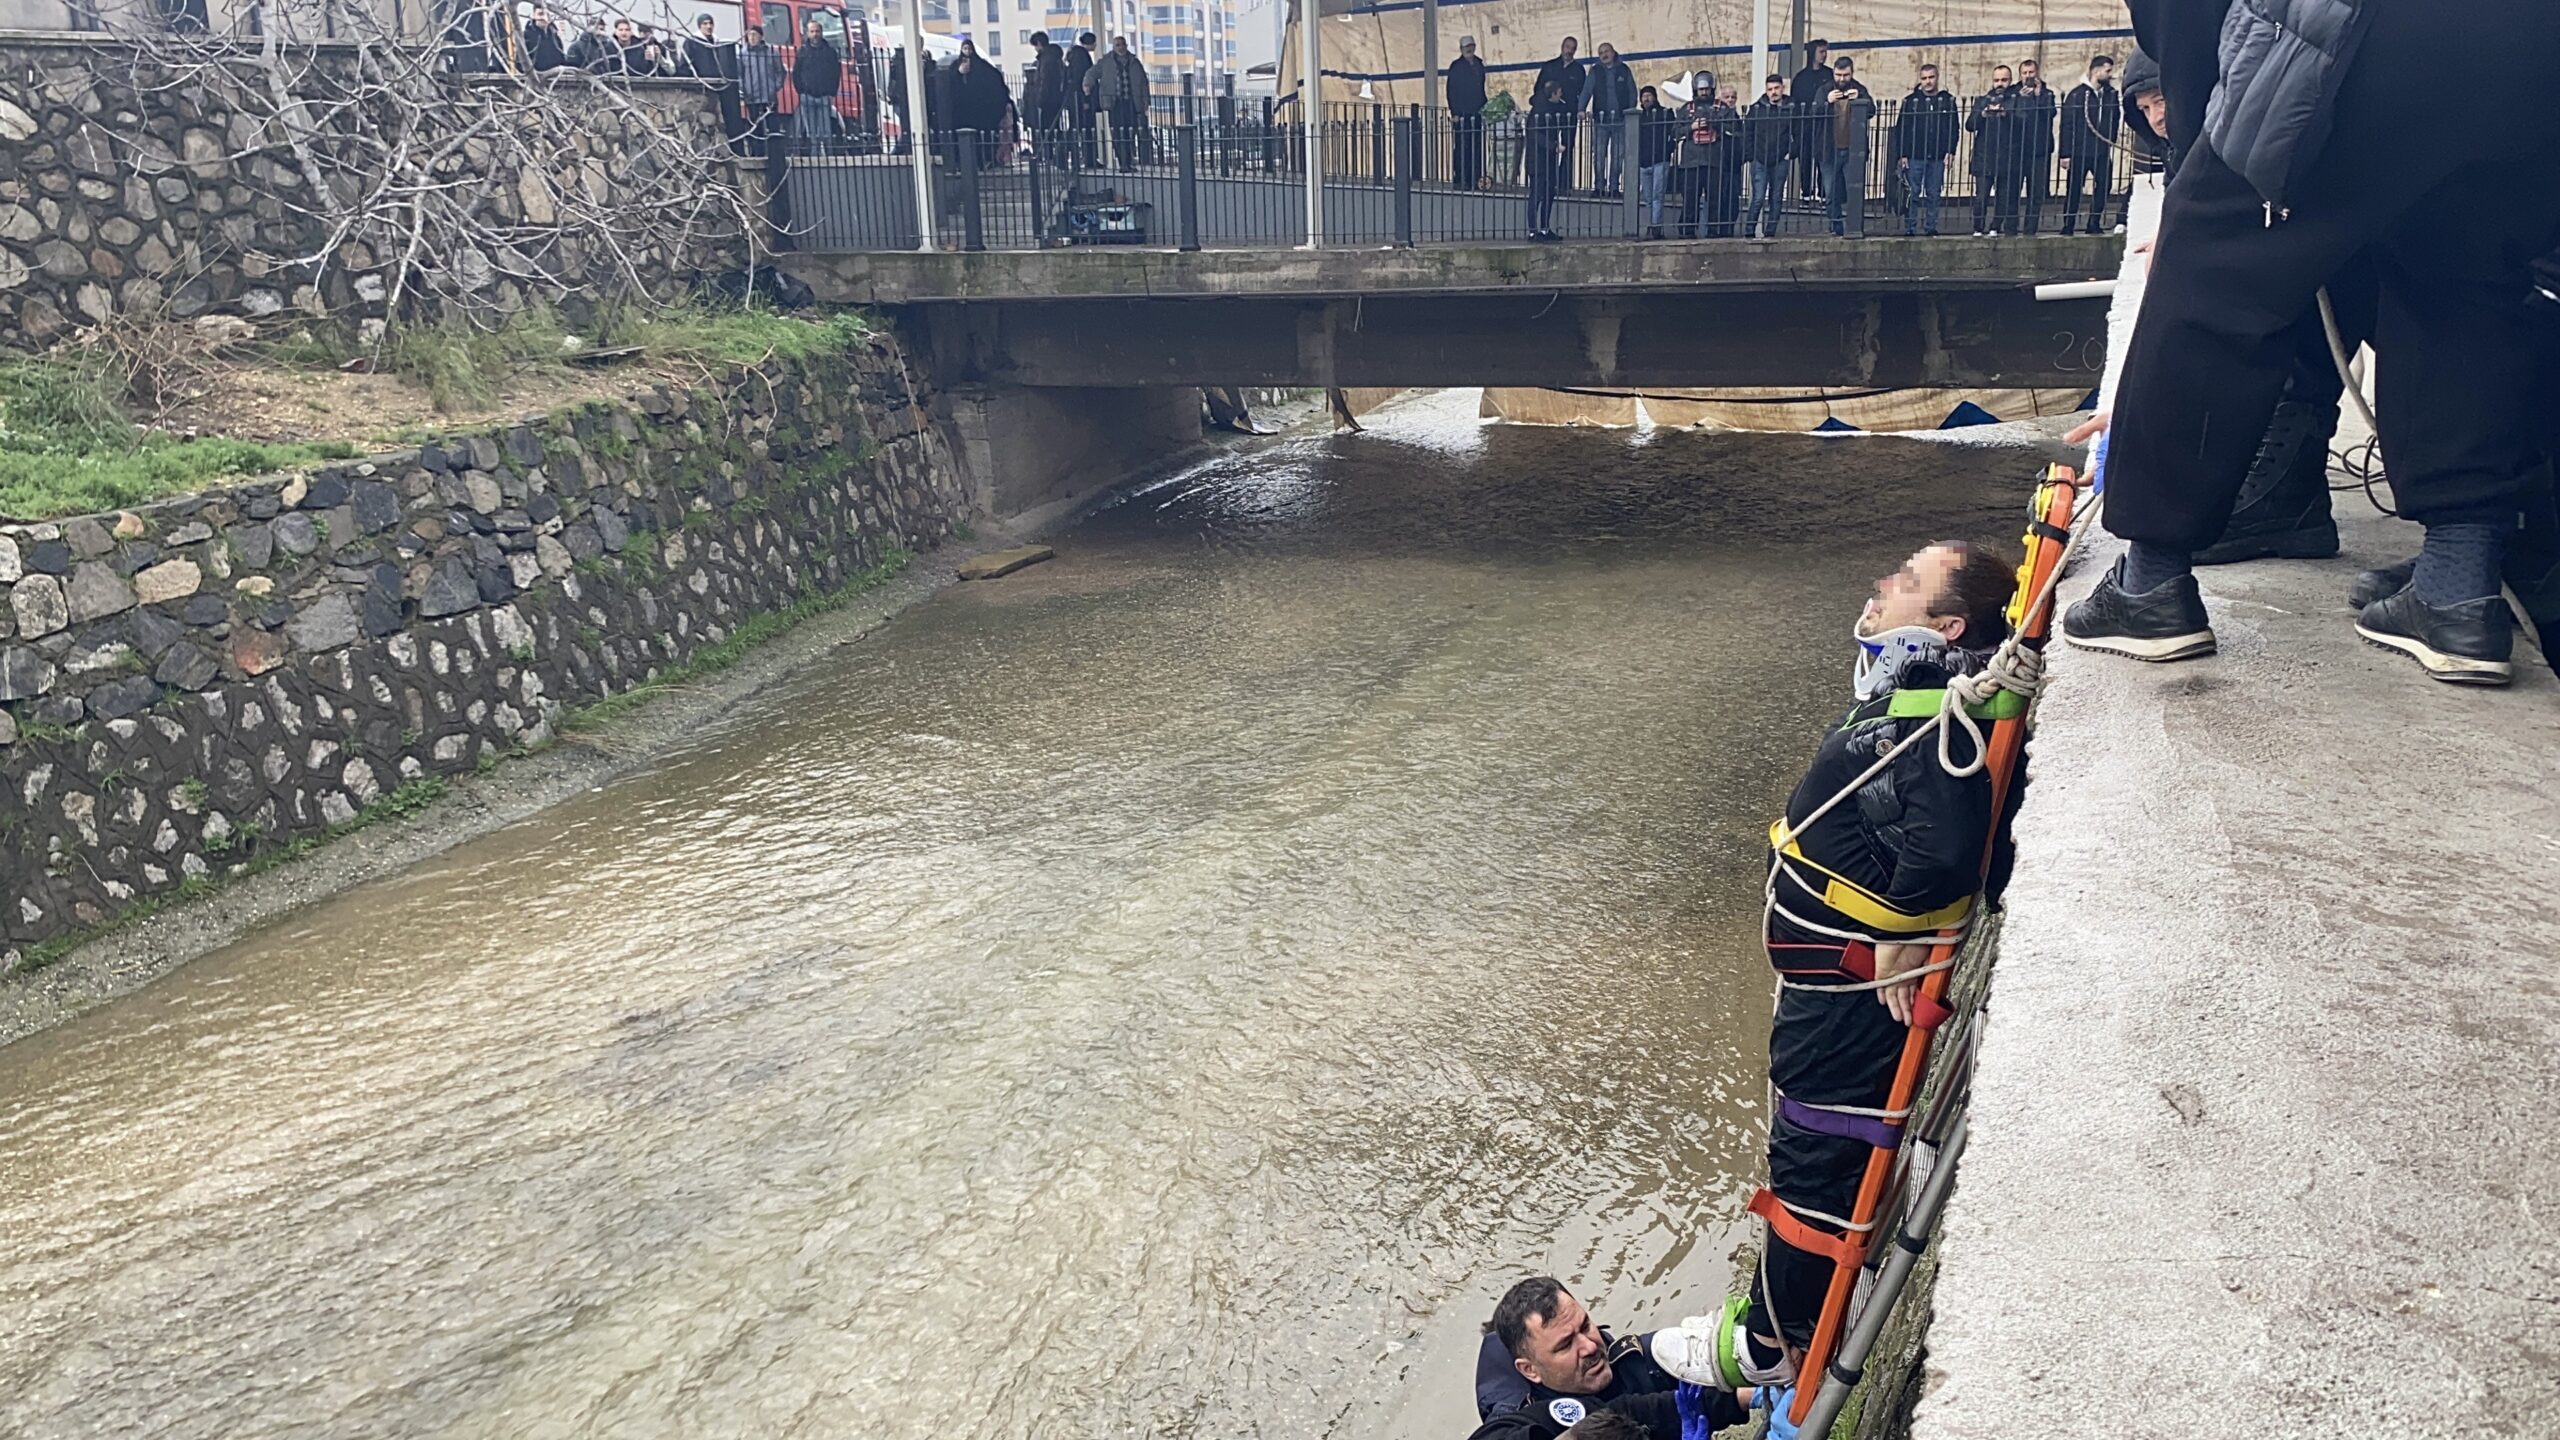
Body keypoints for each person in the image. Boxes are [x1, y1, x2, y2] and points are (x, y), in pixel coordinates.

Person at [2064, 0, 2560, 684]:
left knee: (2213, 255)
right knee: (2464, 272)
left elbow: (2185, 27)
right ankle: (2458, 584)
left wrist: (2198, 166)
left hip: (2371, 27)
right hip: (2531, 45)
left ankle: (2149, 581)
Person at [1652, 542, 2017, 1395]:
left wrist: (1907, 924)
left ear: (1947, 626)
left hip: (1847, 993)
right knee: (1814, 1140)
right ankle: (1794, 1307)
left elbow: (1954, 849)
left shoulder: (1929, 714)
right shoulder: (1926, 698)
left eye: (1907, 582)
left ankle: (1775, 1339)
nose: (1883, 585)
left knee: (1813, 1147)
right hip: (1834, 984)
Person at [1468, 1277, 1750, 1440]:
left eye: (1585, 1326)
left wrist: (1750, 1387)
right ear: (1530, 1371)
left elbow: (1678, 1393)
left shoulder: (1624, 1359)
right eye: (1566, 1345)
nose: (1590, 1347)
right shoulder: (1519, 1419)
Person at [1891, 63, 1958, 237]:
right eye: (1924, 78)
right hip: (1915, 154)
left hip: (1937, 154)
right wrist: (1902, 154)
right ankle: (1910, 227)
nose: (1928, 82)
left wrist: (1951, 151)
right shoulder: (1911, 101)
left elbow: (1954, 128)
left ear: (1937, 77)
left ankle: (1931, 227)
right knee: (1912, 193)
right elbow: (1901, 129)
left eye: (1931, 77)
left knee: (1933, 194)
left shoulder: (1948, 100)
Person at [2057, 54, 2119, 234]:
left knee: (2103, 185)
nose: (2110, 75)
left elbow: (2114, 119)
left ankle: (2094, 222)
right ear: (2096, 71)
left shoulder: (2110, 95)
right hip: (2080, 149)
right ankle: (2068, 224)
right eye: (2107, 71)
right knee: (2075, 187)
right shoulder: (2077, 95)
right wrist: (2065, 153)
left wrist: (2110, 140)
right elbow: (2067, 126)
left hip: (2101, 148)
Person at [1818, 56, 1873, 237]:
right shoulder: (1824, 89)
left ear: (1852, 73)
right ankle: (1836, 227)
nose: (1842, 79)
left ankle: (1854, 227)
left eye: (1846, 75)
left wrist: (1860, 100)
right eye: (1838, 75)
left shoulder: (1859, 89)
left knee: (1854, 192)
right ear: (1833, 73)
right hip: (1829, 149)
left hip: (1852, 150)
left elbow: (1872, 110)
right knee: (1830, 193)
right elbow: (1812, 112)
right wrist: (1827, 102)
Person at [1672, 74, 1730, 241]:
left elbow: (1734, 128)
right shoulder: (1686, 109)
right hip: (1691, 162)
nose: (1704, 92)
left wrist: (1716, 124)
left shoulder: (1722, 108)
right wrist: (1691, 127)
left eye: (1706, 89)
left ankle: (1713, 230)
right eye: (1701, 89)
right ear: (1695, 89)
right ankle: (1687, 230)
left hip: (1714, 160)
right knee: (1690, 199)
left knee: (1715, 199)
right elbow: (1675, 132)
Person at [1739, 75, 1793, 239]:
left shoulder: (1792, 107)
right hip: (1760, 158)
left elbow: (1799, 131)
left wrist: (1791, 153)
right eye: (1770, 89)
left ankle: (1770, 232)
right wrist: (1751, 155)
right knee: (1758, 198)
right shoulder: (1756, 109)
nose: (1773, 92)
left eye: (1776, 88)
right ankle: (1749, 231)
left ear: (1782, 88)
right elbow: (1747, 133)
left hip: (1780, 158)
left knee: (1776, 198)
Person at [680, 13, 745, 149]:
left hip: (720, 88)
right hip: (701, 88)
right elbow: (684, 65)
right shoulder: (692, 42)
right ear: (699, 26)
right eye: (705, 24)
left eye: (710, 23)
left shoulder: (717, 43)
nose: (708, 26)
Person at [1964, 65, 2015, 235]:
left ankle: (1996, 226)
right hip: (1984, 155)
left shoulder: (2015, 100)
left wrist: (2006, 114)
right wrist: (1983, 114)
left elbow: (2023, 122)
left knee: (2003, 196)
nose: (2000, 84)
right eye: (1997, 80)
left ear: (2010, 80)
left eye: (2004, 80)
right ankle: (1978, 227)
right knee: (1981, 196)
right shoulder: (1983, 100)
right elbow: (1970, 125)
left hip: (2007, 155)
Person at [2009, 58, 2057, 234]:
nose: (2028, 76)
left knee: (2036, 193)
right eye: (2025, 73)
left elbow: (2050, 114)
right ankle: (2011, 227)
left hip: (2040, 149)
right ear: (2020, 75)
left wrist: (2036, 97)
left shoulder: (2047, 94)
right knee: (2013, 191)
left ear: (2037, 74)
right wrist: (2022, 99)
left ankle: (2030, 228)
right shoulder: (2013, 93)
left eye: (2031, 73)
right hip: (2017, 149)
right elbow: (2011, 116)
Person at [1533, 38, 1586, 193]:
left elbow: (1582, 92)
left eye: (1573, 48)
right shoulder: (1549, 67)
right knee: (1550, 146)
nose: (1569, 51)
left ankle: (1565, 184)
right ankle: (1549, 181)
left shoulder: (1578, 70)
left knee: (1568, 147)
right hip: (1550, 114)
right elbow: (1538, 88)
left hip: (1569, 113)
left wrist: (1579, 109)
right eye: (1567, 47)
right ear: (1562, 47)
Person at [1584, 42, 1637, 197]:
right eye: (1601, 53)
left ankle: (1614, 187)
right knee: (1599, 155)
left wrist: (1630, 111)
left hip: (1620, 120)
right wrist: (1581, 109)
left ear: (1613, 52)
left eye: (1606, 51)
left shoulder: (1624, 70)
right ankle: (1599, 186)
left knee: (1617, 156)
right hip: (1601, 121)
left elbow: (1632, 91)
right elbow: (1587, 90)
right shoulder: (1595, 71)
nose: (1604, 55)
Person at [1093, 34, 1153, 170]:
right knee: (1117, 133)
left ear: (1126, 46)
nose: (1120, 48)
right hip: (1115, 104)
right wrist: (1087, 84)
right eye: (1117, 45)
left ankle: (1129, 160)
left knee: (1131, 133)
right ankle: (1123, 162)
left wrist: (1145, 100)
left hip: (1132, 103)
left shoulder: (1134, 62)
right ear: (1113, 47)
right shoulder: (1106, 62)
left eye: (1122, 45)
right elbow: (1092, 73)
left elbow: (1143, 83)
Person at [1525, 76, 1571, 241]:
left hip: (1549, 159)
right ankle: (1533, 230)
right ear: (1552, 94)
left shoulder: (1553, 107)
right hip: (1537, 159)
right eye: (1559, 93)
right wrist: (1554, 145)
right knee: (1536, 195)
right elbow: (1535, 134)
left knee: (1549, 193)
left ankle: (1544, 229)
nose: (1561, 96)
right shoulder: (1538, 111)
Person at [1788, 38, 1833, 203]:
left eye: (1825, 52)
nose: (1824, 55)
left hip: (1823, 124)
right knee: (1805, 158)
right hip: (1804, 123)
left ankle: (1822, 193)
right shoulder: (1801, 78)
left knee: (1824, 157)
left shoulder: (1829, 75)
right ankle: (1806, 192)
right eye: (1821, 52)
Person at [790, 18, 841, 150]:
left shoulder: (830, 52)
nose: (815, 34)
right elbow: (796, 73)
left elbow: (836, 72)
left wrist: (831, 92)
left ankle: (829, 158)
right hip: (807, 96)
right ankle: (815, 159)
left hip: (824, 96)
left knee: (826, 132)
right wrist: (800, 91)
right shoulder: (802, 52)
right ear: (807, 33)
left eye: (817, 31)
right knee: (811, 132)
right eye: (812, 31)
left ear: (821, 32)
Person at [1449, 35, 1489, 190]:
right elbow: (1452, 91)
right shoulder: (1456, 67)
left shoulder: (1478, 64)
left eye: (1471, 46)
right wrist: (1455, 113)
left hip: (1476, 112)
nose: (1470, 50)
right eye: (1467, 48)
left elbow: (1480, 89)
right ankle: (1461, 178)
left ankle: (1475, 177)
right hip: (1463, 113)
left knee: (1476, 146)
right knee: (1462, 147)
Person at [1636, 85, 1675, 239]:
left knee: (1657, 196)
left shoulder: (1665, 114)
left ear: (1655, 97)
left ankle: (1655, 227)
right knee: (1648, 199)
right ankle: (1653, 225)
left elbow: (1673, 134)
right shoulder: (1639, 118)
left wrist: (1667, 151)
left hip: (1660, 160)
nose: (1646, 99)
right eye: (1643, 96)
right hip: (1643, 162)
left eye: (1648, 96)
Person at [742, 27, 786, 154]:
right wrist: (744, 89)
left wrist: (775, 86)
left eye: (755, 34)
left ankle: (775, 153)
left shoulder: (771, 51)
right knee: (755, 127)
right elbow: (739, 74)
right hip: (752, 96)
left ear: (761, 36)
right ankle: (757, 153)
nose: (752, 37)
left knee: (773, 126)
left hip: (769, 96)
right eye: (749, 35)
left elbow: (780, 72)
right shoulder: (743, 53)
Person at [1026, 32, 1067, 164]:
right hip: (1056, 98)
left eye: (1035, 46)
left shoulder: (1046, 60)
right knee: (1054, 127)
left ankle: (1049, 155)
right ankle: (1056, 154)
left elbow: (1045, 80)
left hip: (1048, 99)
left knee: (1046, 128)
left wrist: (1040, 99)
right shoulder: (1055, 57)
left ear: (1039, 44)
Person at [1065, 32, 1098, 167]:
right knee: (1086, 129)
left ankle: (1078, 159)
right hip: (1081, 99)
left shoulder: (1075, 55)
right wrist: (1085, 99)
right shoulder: (1082, 57)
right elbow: (1082, 79)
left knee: (1076, 128)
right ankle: (1089, 159)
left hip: (1074, 99)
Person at [518, 5, 567, 71]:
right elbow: (520, 64)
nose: (544, 18)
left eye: (548, 15)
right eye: (540, 14)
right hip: (535, 79)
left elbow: (562, 62)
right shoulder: (525, 37)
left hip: (555, 79)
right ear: (533, 15)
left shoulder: (556, 38)